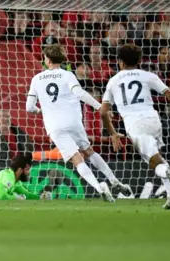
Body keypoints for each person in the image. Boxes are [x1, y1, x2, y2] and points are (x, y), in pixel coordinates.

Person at [25, 44, 132, 201]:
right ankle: (114, 181)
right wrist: (99, 107)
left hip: (54, 126)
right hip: (72, 120)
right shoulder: (68, 75)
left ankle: (98, 188)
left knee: (76, 158)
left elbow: (29, 108)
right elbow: (80, 93)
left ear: (47, 60)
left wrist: (40, 110)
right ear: (60, 60)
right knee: (88, 151)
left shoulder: (36, 79)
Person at [100, 44, 170, 209]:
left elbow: (104, 112)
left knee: (156, 163)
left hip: (135, 125)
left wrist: (112, 133)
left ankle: (167, 171)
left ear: (120, 62)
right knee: (154, 158)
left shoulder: (113, 81)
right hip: (154, 120)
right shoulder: (148, 75)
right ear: (139, 60)